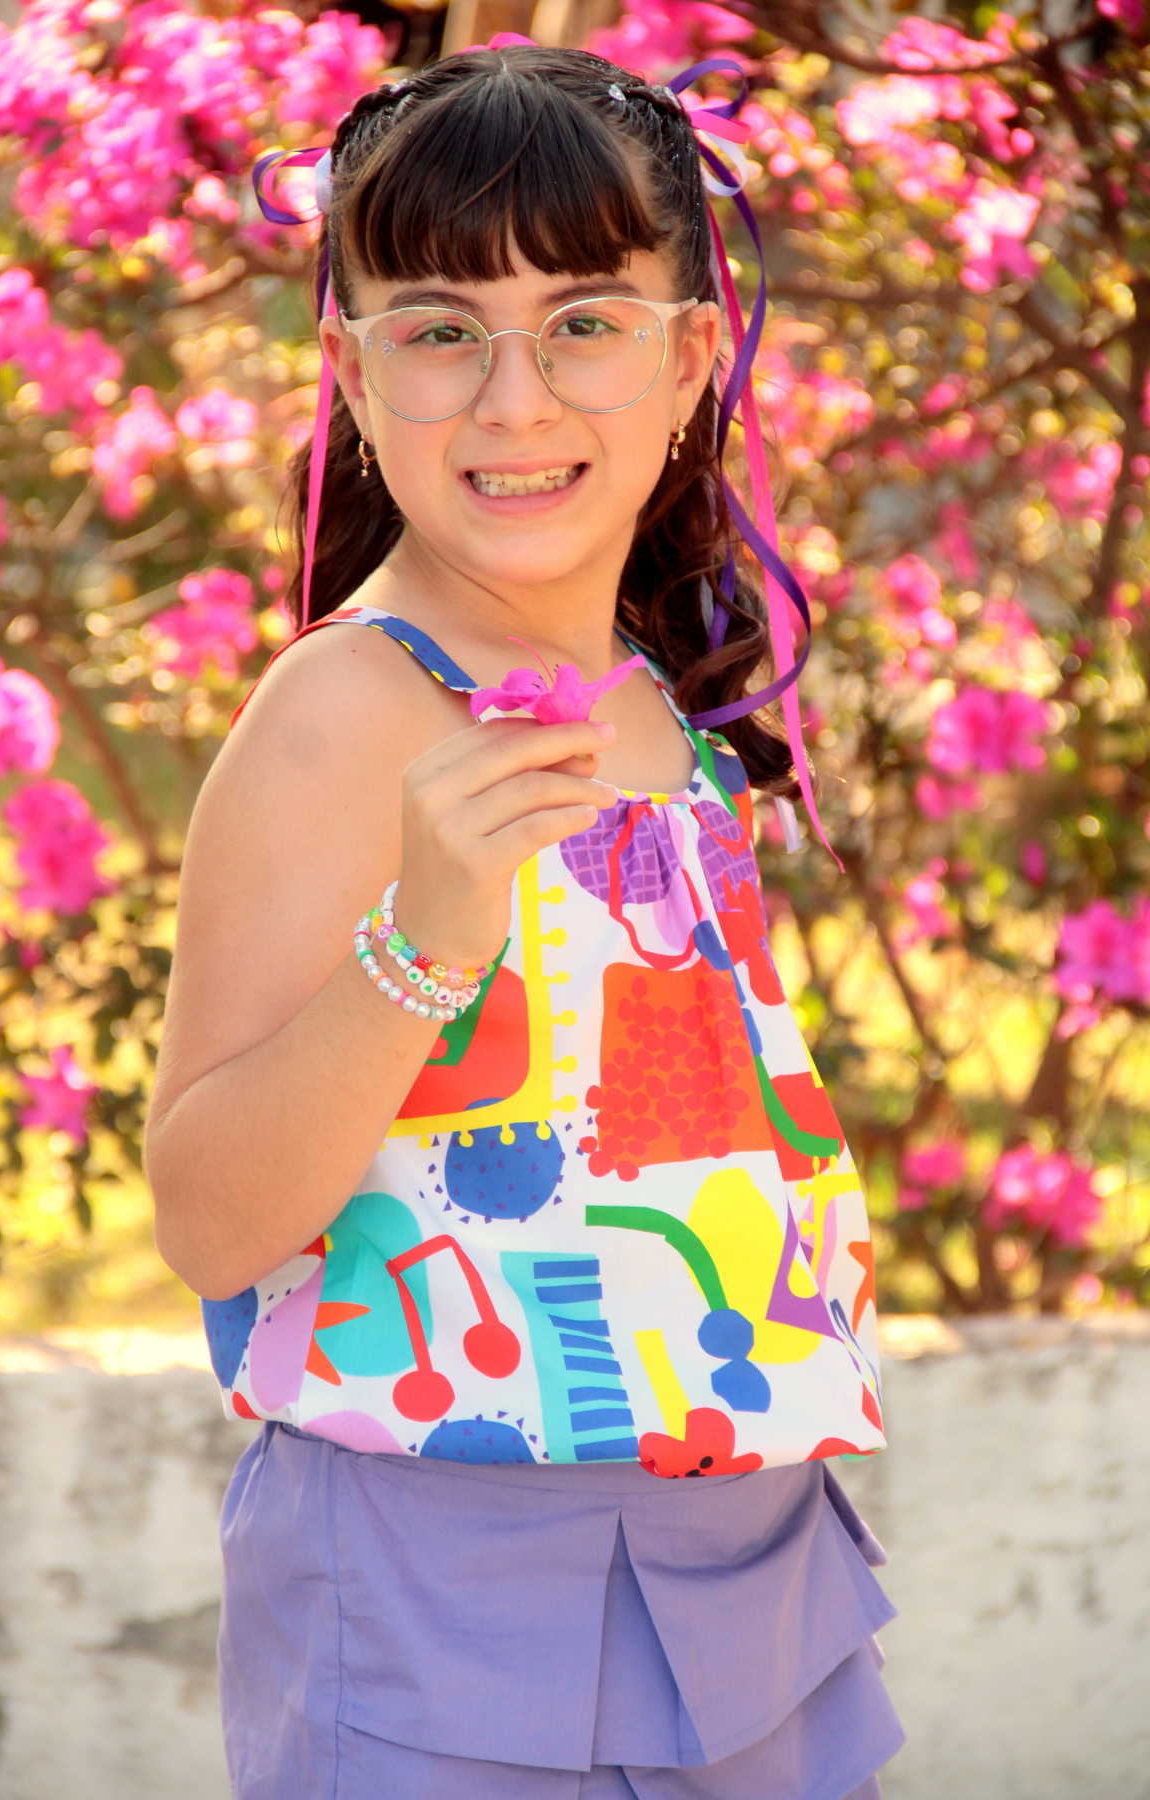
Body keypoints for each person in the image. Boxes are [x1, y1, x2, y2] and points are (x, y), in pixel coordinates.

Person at [146, 41, 904, 1800]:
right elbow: (207, 1218)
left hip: (755, 1563)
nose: (515, 399)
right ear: (353, 372)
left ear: (691, 357)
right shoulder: (344, 712)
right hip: (445, 1585)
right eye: (440, 330)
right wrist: (428, 935)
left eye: (584, 322)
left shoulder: (655, 702)